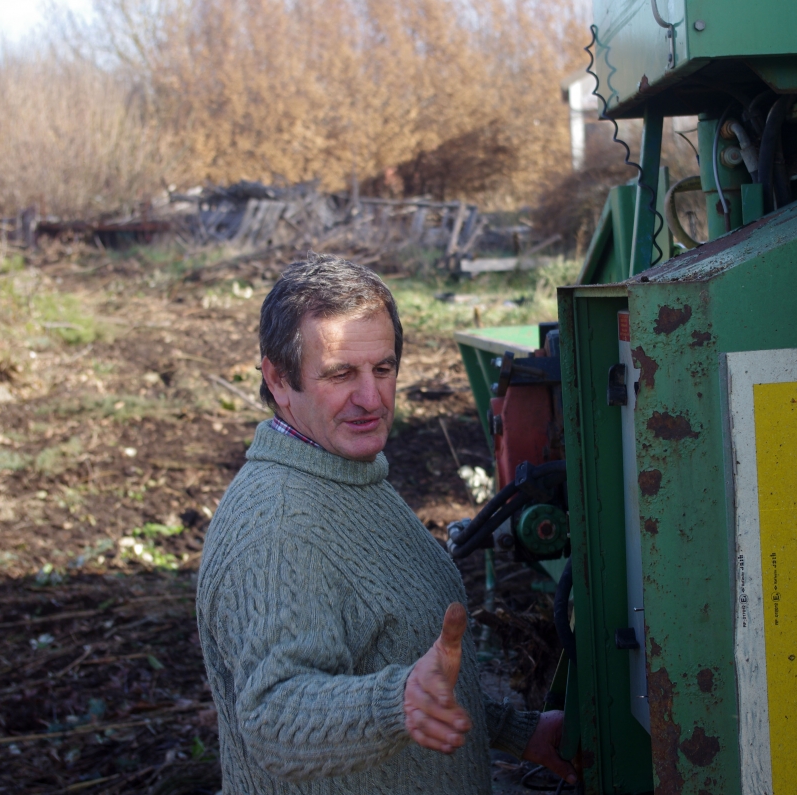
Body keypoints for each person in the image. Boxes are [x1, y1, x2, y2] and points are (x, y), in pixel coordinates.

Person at [196, 253, 575, 794]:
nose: (371, 399)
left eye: (383, 368)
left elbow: (407, 667)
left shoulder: (347, 474)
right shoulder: (278, 529)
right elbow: (274, 720)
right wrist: (397, 703)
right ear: (278, 380)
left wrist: (519, 732)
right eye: (341, 374)